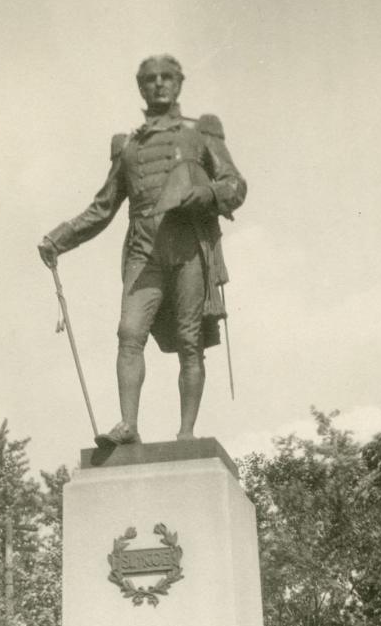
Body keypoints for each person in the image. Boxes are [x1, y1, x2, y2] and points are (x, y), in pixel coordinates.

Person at [38, 54, 247, 445]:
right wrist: (59, 238)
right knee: (128, 332)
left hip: (187, 246)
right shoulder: (129, 145)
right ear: (141, 87)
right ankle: (128, 426)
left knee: (190, 340)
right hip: (143, 248)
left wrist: (208, 192)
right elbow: (103, 207)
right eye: (150, 79)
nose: (159, 84)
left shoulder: (200, 134)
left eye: (167, 77)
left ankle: (186, 433)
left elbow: (235, 185)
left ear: (180, 83)